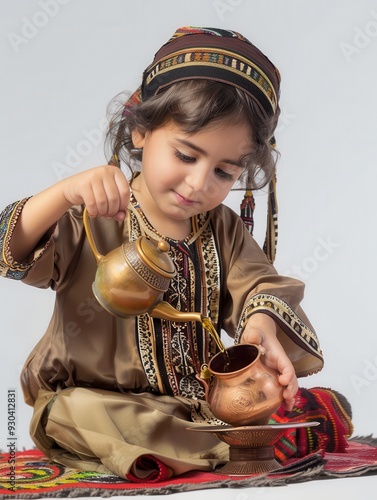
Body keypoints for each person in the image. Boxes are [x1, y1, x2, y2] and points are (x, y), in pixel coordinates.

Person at [0, 26, 351, 481]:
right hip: (102, 402)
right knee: (75, 413)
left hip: (202, 402)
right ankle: (249, 444)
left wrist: (259, 324)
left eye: (224, 171)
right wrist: (63, 194)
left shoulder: (221, 228)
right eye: (186, 155)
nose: (198, 184)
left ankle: (211, 441)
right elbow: (12, 250)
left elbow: (261, 285)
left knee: (326, 402)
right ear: (141, 131)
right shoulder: (95, 215)